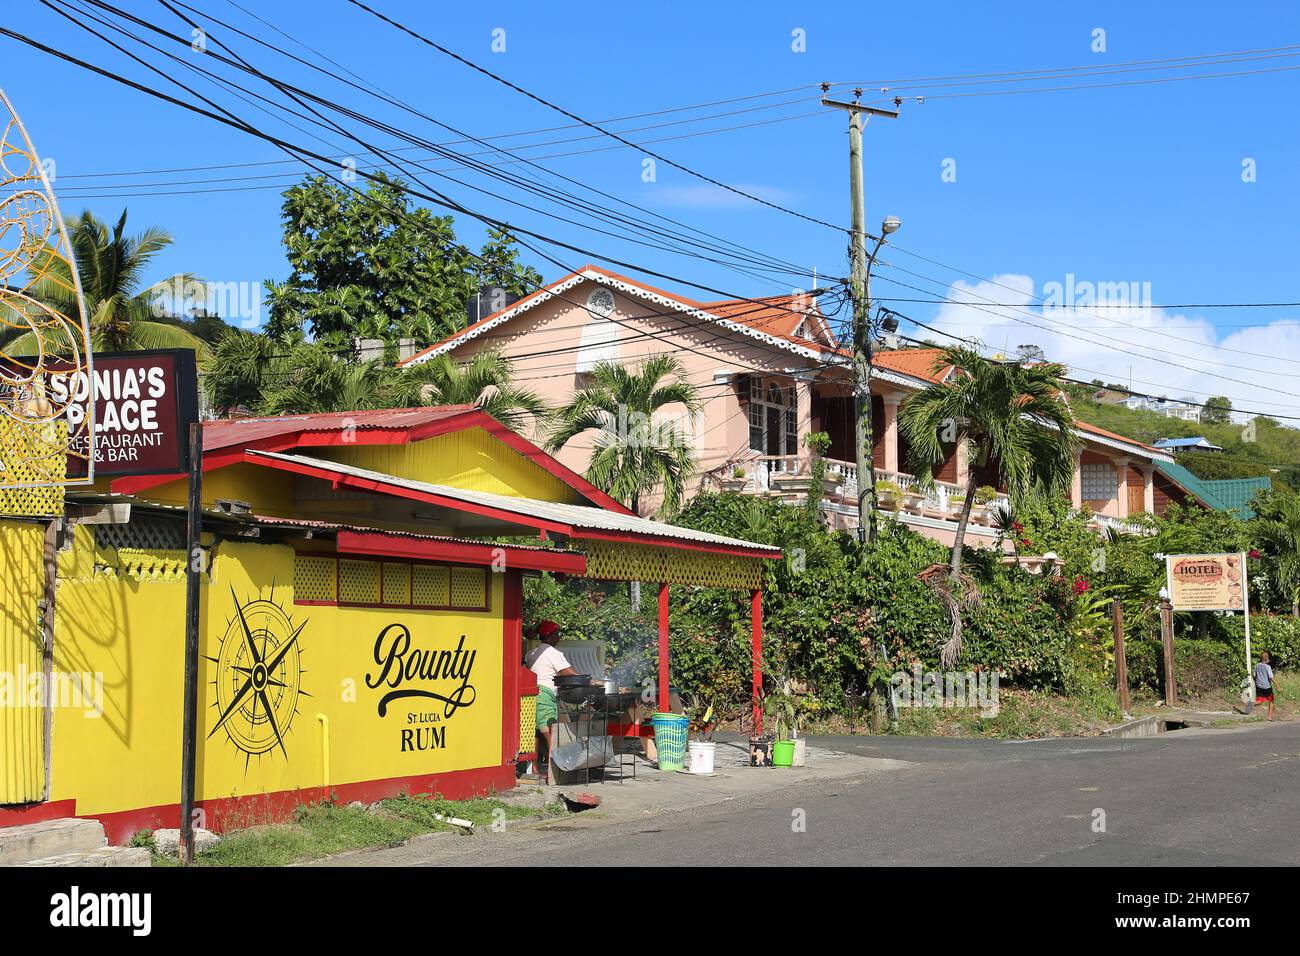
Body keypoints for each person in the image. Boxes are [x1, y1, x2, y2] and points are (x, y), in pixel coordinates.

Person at [524, 620, 579, 770]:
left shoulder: (531, 653)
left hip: (530, 695)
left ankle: (533, 769)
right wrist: (588, 681)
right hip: (545, 695)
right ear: (550, 636)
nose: (559, 637)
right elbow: (567, 673)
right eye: (557, 634)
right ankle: (554, 769)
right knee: (550, 733)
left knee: (534, 732)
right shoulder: (553, 653)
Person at [1254, 651, 1279, 721]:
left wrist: (1255, 683)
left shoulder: (1256, 665)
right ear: (1267, 658)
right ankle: (1269, 717)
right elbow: (1271, 677)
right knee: (1271, 700)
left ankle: (1250, 704)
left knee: (1260, 701)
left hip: (1258, 686)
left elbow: (1254, 676)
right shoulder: (1268, 667)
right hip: (1267, 687)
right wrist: (1277, 685)